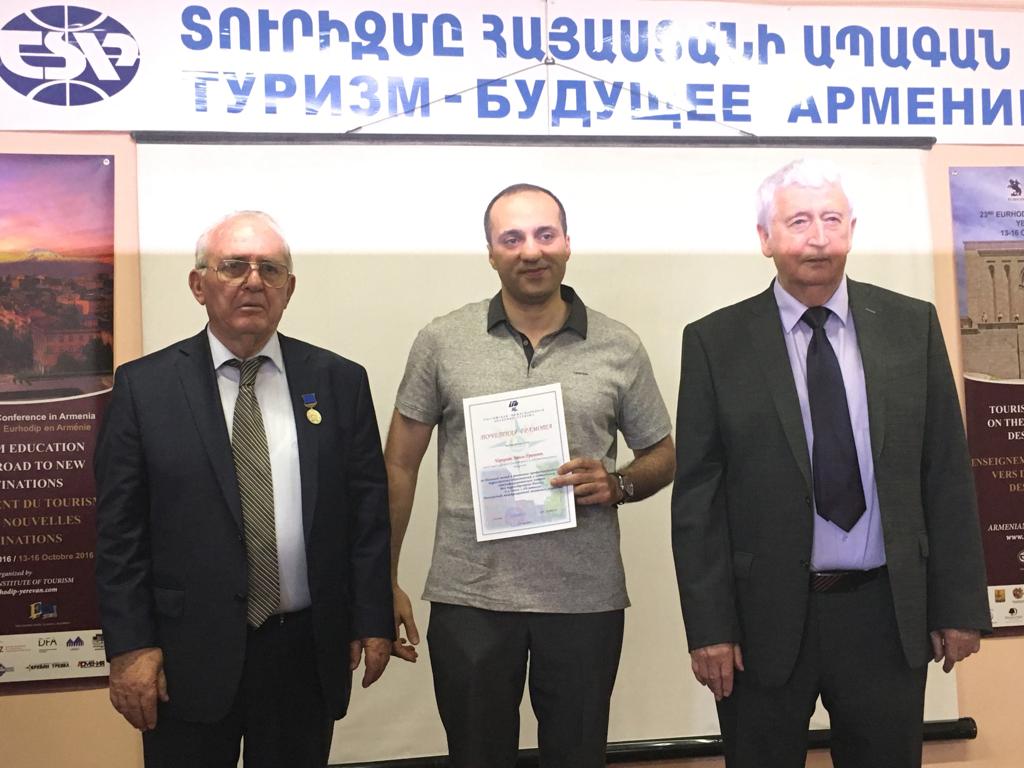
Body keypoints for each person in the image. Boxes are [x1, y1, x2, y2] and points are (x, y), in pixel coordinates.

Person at [671, 158, 991, 768]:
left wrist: (958, 606)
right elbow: (698, 499)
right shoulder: (716, 341)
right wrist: (709, 627)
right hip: (762, 620)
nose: (817, 237)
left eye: (831, 220)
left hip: (884, 613)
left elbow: (945, 472)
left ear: (851, 230)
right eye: (798, 222)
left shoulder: (910, 325)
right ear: (765, 238)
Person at [386, 183, 675, 767]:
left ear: (567, 244)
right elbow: (398, 463)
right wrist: (383, 577)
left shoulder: (619, 344)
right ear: (491, 253)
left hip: (583, 601)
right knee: (476, 756)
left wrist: (619, 484)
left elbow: (664, 454)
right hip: (471, 598)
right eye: (512, 238)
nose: (531, 251)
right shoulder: (443, 340)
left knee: (577, 756)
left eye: (545, 235)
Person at [94, 211, 393, 767]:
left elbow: (367, 515)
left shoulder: (339, 381)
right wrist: (131, 647)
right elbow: (119, 535)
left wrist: (371, 618)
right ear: (198, 285)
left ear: (289, 288)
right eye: (234, 266)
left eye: (270, 270)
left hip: (303, 651)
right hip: (186, 654)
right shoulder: (145, 387)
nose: (254, 281)